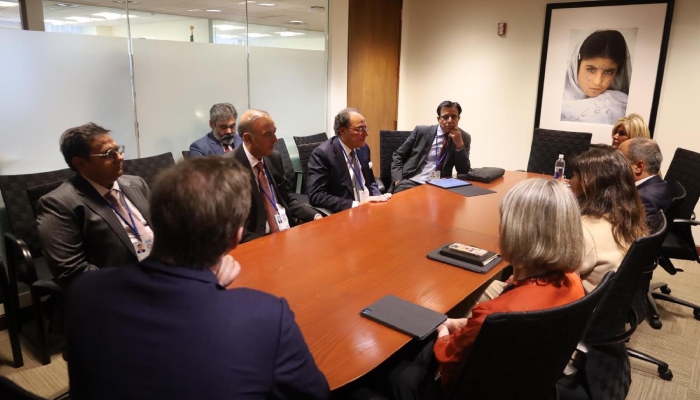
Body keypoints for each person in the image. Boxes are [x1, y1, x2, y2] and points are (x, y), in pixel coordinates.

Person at [66, 157, 330, 400]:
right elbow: (314, 395)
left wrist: (206, 286)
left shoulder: (85, 292)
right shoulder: (268, 316)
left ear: (153, 218)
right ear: (236, 238)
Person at [388, 178, 585, 399]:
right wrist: (465, 325)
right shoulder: (574, 283)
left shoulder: (495, 314)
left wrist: (443, 330)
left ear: (517, 233)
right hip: (529, 380)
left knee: (396, 371)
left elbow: (448, 365)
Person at [37, 123, 153, 282]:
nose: (120, 157)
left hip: (160, 270)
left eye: (118, 150)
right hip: (120, 284)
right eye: (109, 154)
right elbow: (71, 271)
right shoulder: (58, 204)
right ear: (81, 163)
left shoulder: (136, 184)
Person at [226, 109, 321, 242]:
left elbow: (287, 200)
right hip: (257, 240)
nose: (275, 139)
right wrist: (264, 244)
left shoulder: (273, 157)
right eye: (267, 134)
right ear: (248, 138)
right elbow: (230, 225)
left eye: (274, 132)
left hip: (287, 232)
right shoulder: (228, 167)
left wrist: (316, 216)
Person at [569, 146, 649, 293]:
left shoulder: (583, 229)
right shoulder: (631, 218)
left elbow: (560, 281)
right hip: (613, 301)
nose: (569, 181)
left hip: (584, 303)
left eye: (574, 176)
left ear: (586, 184)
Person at [307, 108, 390, 213]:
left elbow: (370, 180)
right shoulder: (323, 154)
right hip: (346, 211)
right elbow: (317, 195)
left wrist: (379, 198)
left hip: (368, 208)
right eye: (360, 129)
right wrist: (356, 205)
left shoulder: (363, 148)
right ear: (342, 131)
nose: (366, 134)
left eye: (365, 128)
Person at [391, 101, 471, 193]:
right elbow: (398, 155)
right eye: (445, 117)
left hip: (441, 184)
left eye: (454, 117)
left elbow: (463, 171)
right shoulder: (421, 131)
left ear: (458, 118)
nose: (450, 120)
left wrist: (459, 145)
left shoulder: (464, 137)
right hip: (412, 181)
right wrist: (398, 180)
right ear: (439, 119)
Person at [561, 30, 632, 125]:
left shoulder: (622, 104)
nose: (597, 82)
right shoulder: (552, 98)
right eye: (590, 69)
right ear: (576, 65)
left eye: (609, 72)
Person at [619, 138, 671, 225]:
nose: (614, 165)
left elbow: (635, 231)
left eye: (619, 160)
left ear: (638, 167)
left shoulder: (644, 199)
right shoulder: (660, 184)